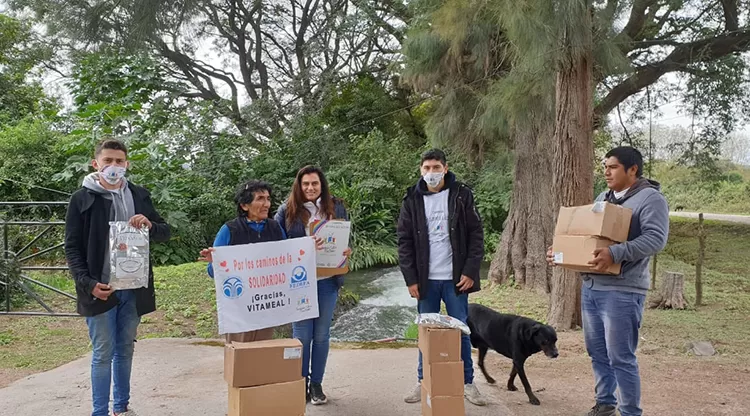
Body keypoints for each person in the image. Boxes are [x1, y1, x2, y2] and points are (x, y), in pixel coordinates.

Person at [547, 146, 669, 416]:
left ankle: (630, 412)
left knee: (621, 358)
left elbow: (655, 239)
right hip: (592, 287)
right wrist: (562, 254)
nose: (606, 171)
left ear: (632, 170)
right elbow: (589, 236)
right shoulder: (604, 197)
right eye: (605, 166)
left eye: (612, 167)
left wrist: (615, 253)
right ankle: (605, 404)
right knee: (598, 353)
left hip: (623, 291)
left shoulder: (650, 199)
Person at [65, 138, 171, 416]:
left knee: (125, 350)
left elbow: (164, 231)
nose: (114, 166)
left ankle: (121, 409)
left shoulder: (139, 194)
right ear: (95, 163)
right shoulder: (82, 199)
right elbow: (72, 247)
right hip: (101, 288)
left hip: (133, 288)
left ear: (127, 164)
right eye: (108, 161)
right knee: (102, 353)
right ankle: (99, 412)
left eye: (119, 161)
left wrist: (149, 225)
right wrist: (88, 285)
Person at [397, 149, 486, 406]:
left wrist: (470, 270)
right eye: (427, 168)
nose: (431, 173)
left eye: (436, 168)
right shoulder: (411, 198)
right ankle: (422, 380)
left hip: (455, 279)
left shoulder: (461, 195)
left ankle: (467, 382)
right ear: (420, 170)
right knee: (426, 331)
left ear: (445, 169)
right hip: (426, 280)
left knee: (461, 330)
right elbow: (404, 242)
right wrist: (410, 278)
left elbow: (475, 235)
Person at [275, 165, 351, 405]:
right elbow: (278, 248)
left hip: (328, 282)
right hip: (299, 282)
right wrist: (304, 246)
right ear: (299, 186)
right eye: (305, 184)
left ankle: (317, 384)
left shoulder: (336, 207)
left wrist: (347, 250)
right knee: (302, 337)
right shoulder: (285, 212)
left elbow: (345, 239)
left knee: (321, 336)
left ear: (322, 185)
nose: (310, 188)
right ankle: (301, 383)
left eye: (314, 184)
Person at [199, 180, 288, 343]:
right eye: (260, 198)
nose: (266, 204)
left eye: (268, 199)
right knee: (239, 355)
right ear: (244, 205)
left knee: (262, 353)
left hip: (265, 305)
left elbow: (286, 261)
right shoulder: (230, 230)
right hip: (238, 308)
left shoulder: (275, 228)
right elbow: (213, 273)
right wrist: (216, 262)